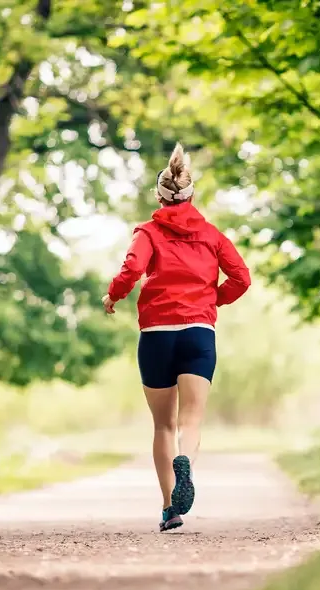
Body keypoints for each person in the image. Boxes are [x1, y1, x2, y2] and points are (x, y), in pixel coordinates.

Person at [102, 143, 251, 532]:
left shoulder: (148, 232)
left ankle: (171, 508)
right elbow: (242, 277)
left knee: (162, 425)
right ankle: (187, 462)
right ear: (191, 193)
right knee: (191, 421)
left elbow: (132, 267)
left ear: (159, 195)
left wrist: (113, 295)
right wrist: (210, 300)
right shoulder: (212, 235)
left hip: (157, 334)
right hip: (199, 333)